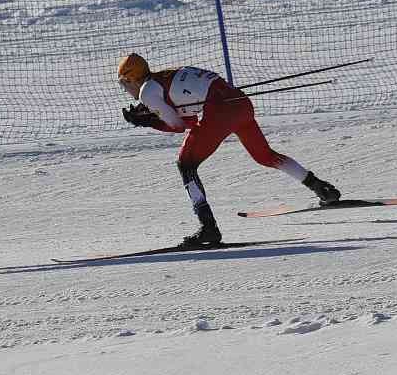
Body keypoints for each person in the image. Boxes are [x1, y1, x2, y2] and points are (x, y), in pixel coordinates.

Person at [117, 52, 341, 247]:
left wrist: (148, 121)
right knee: (265, 156)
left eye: (124, 84)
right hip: (240, 102)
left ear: (132, 79)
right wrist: (156, 114)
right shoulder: (165, 77)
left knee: (186, 165)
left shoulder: (147, 91)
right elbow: (191, 119)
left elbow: (178, 126)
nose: (126, 90)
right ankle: (322, 189)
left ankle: (208, 229)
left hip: (220, 111)